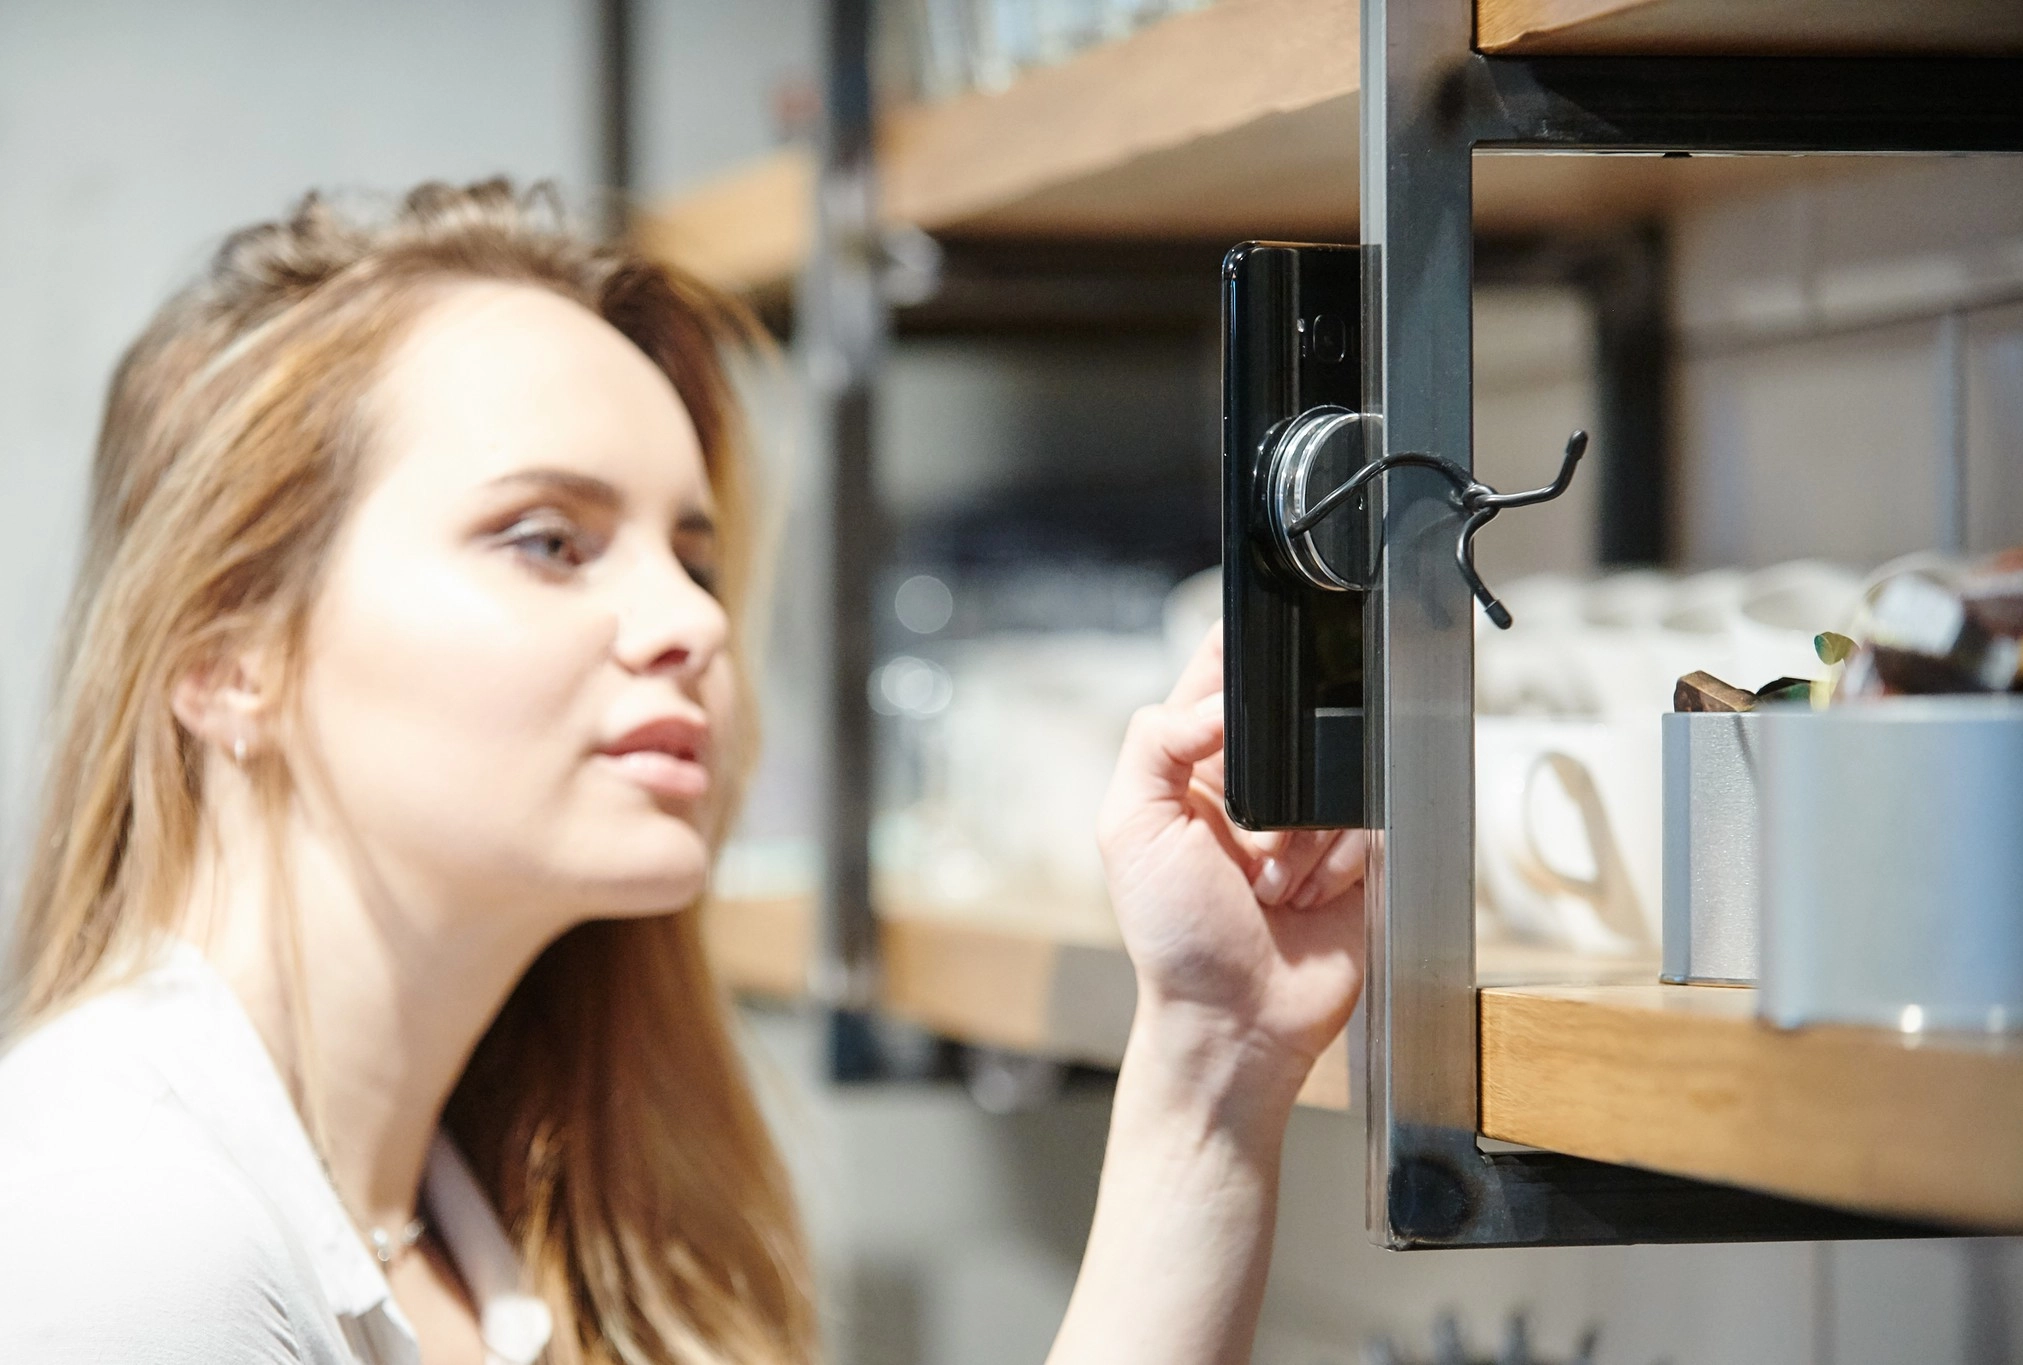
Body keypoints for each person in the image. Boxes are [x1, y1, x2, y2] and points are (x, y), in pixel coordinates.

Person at [0, 180, 1368, 1365]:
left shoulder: (459, 1217)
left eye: (696, 560)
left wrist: (1215, 1056)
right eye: (548, 540)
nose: (696, 626)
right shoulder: (125, 1232)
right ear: (229, 657)